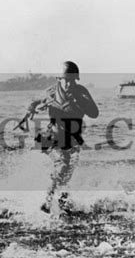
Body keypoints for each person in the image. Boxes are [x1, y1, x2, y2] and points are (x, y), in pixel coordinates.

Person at [26, 61, 99, 213]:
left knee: (67, 173)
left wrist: (80, 101)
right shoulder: (51, 92)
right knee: (62, 163)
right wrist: (30, 110)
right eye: (66, 80)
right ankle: (47, 202)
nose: (69, 84)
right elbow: (33, 102)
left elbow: (94, 113)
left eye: (72, 80)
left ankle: (64, 204)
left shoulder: (81, 92)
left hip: (71, 141)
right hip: (49, 138)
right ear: (59, 79)